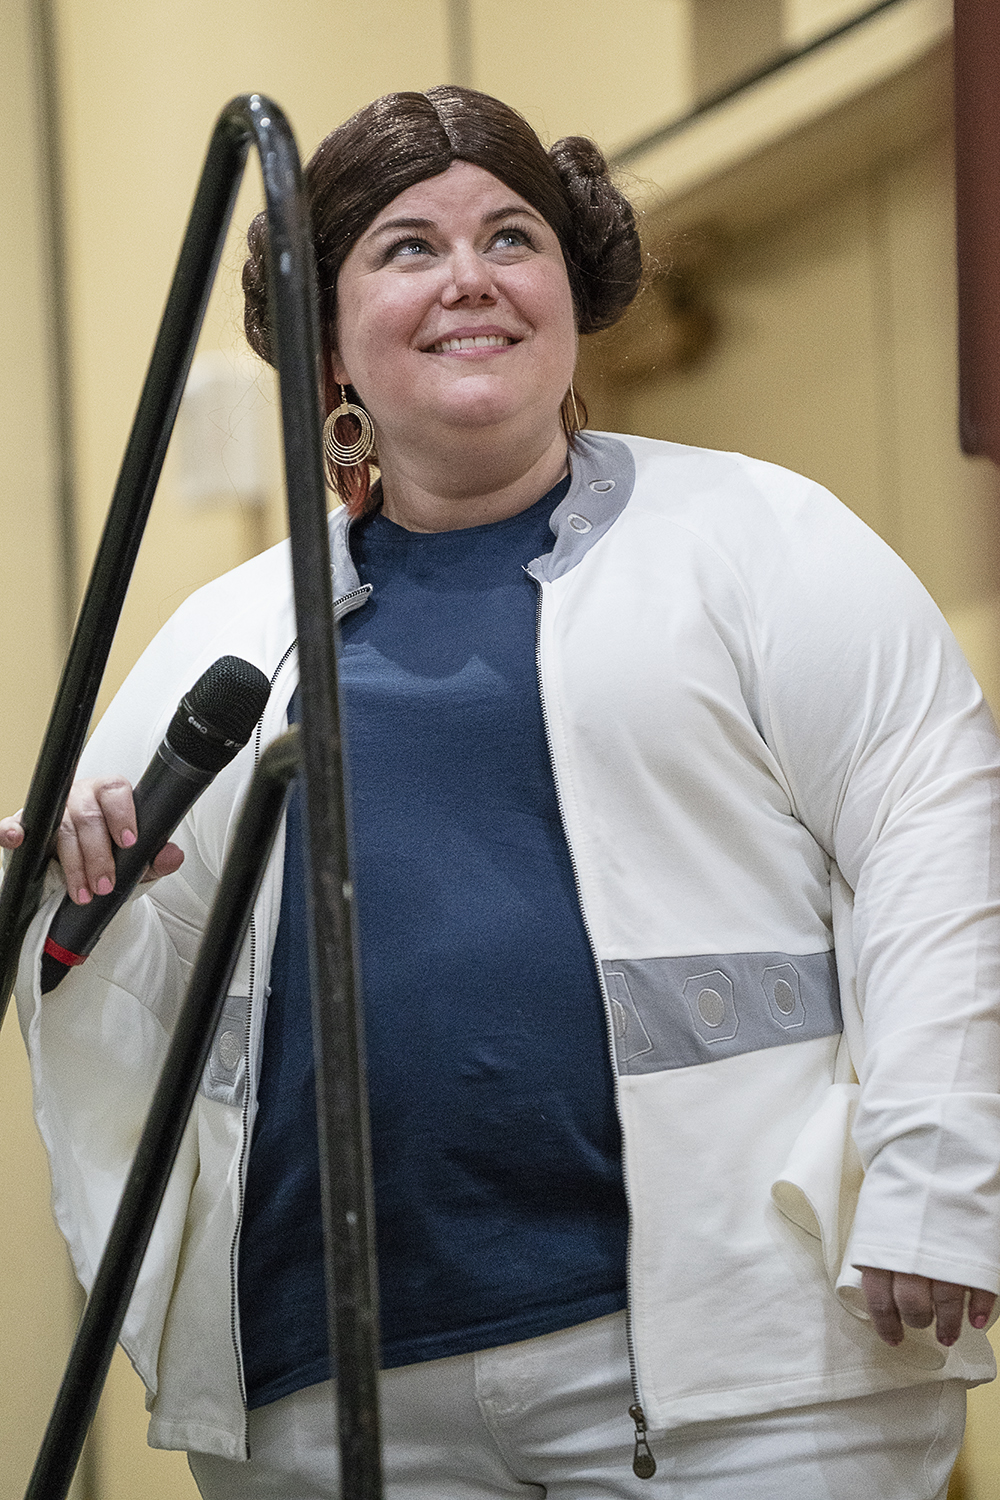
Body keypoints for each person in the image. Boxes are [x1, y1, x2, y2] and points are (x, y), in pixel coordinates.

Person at [3, 84, 1000, 1500]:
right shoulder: (218, 648)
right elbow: (159, 1018)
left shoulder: (766, 543)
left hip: (737, 1375)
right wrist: (89, 896)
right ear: (324, 331)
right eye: (407, 247)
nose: (470, 276)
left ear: (572, 291)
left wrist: (944, 1174)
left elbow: (942, 842)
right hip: (333, 1386)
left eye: (511, 236)